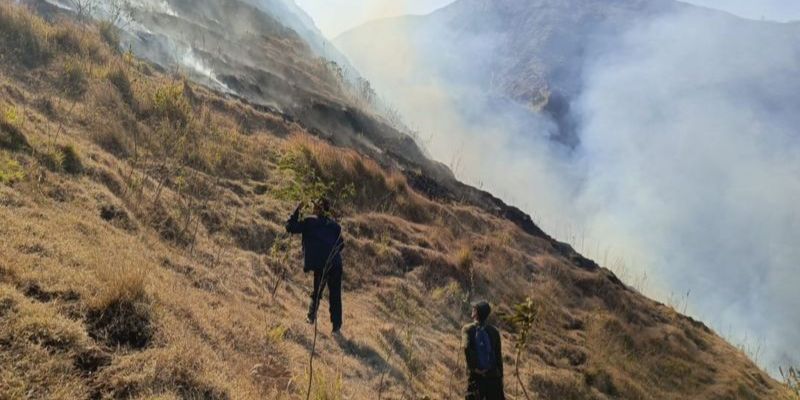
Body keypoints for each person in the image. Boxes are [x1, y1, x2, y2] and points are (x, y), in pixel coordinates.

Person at [285, 198, 345, 334]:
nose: (313, 208)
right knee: (335, 295)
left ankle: (311, 318)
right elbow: (341, 244)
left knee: (317, 291)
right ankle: (336, 327)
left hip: (322, 264)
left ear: (318, 209)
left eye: (315, 206)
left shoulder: (309, 222)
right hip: (335, 264)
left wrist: (297, 209)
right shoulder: (334, 226)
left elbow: (290, 227)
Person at [462, 301, 505, 400]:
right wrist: (500, 377)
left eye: (474, 308)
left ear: (476, 312)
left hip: (476, 377)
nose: (472, 309)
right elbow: (498, 357)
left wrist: (474, 368)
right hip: (493, 377)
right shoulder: (494, 331)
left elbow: (467, 348)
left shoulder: (467, 329)